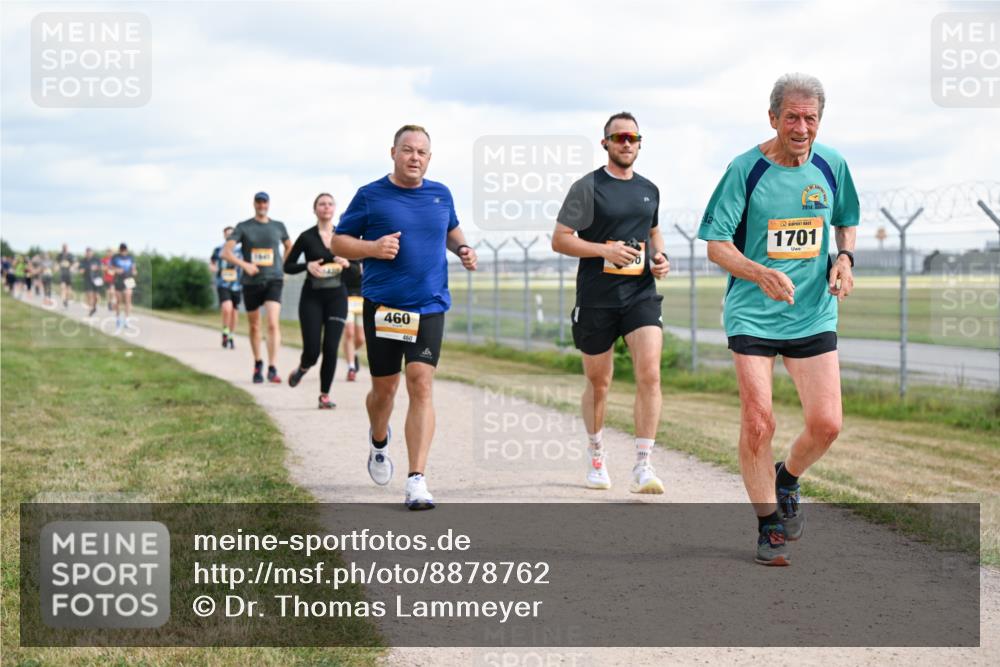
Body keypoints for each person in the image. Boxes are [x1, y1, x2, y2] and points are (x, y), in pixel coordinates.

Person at [698, 73, 859, 566]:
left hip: (812, 311)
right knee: (758, 421)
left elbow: (845, 220)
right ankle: (768, 525)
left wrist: (845, 259)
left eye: (811, 118)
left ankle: (786, 478)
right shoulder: (745, 170)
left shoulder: (832, 166)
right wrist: (758, 272)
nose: (802, 127)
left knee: (828, 424)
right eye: (792, 117)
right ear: (773, 118)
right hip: (753, 314)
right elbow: (716, 244)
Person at [333, 124, 477, 510]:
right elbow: (338, 241)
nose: (415, 158)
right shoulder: (370, 196)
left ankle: (417, 479)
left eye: (422, 152)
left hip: (429, 304)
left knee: (421, 383)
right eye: (408, 150)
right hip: (384, 307)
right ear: (393, 152)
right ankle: (379, 441)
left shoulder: (440, 194)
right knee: (385, 391)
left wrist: (463, 249)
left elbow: (451, 231)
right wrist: (372, 247)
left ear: (429, 158)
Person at [552, 112, 671, 495]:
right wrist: (604, 249)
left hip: (640, 295)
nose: (626, 143)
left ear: (639, 143)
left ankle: (643, 465)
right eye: (618, 137)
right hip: (597, 299)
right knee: (599, 383)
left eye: (633, 137)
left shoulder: (649, 189)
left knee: (649, 373)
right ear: (605, 143)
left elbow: (653, 230)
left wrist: (660, 256)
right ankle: (597, 455)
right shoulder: (587, 188)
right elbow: (561, 239)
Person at [284, 193, 357, 409]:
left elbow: (357, 273)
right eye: (321, 204)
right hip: (312, 298)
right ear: (315, 209)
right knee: (313, 350)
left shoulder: (344, 236)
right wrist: (307, 266)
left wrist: (346, 263)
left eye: (330, 204)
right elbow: (287, 266)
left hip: (337, 297)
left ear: (334, 209)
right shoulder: (307, 237)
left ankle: (324, 395)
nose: (326, 207)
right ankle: (303, 367)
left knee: (331, 347)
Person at [222, 192, 291, 384]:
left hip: (273, 280)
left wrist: (283, 267)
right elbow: (226, 253)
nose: (262, 205)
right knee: (254, 325)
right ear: (254, 204)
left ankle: (273, 366)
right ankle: (258, 363)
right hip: (251, 282)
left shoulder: (278, 226)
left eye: (265, 201)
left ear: (269, 204)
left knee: (272, 323)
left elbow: (289, 247)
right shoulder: (244, 226)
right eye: (259, 202)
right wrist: (245, 265)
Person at [210, 226, 242, 349]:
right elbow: (212, 263)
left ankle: (231, 335)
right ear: (224, 236)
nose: (229, 236)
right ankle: (225, 330)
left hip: (237, 285)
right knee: (226, 308)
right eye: (227, 234)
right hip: (223, 283)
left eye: (231, 234)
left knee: (234, 311)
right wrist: (214, 268)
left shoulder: (240, 250)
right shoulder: (218, 249)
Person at [342, 259, 364, 381]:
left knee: (361, 338)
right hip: (346, 296)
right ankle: (351, 368)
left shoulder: (367, 255)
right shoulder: (343, 253)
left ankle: (353, 353)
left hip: (362, 298)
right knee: (349, 333)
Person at [110, 243, 137, 332]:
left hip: (129, 279)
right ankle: (118, 319)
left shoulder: (130, 257)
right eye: (122, 250)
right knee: (118, 301)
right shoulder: (115, 257)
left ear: (127, 250)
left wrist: (134, 271)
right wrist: (116, 270)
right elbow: (109, 267)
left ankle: (127, 320)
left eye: (125, 250)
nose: (123, 252)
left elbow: (133, 267)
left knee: (128, 299)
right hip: (118, 280)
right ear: (120, 250)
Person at [79, 247, 104, 317]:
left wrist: (97, 268)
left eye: (90, 252)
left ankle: (94, 307)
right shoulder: (83, 261)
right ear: (86, 253)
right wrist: (88, 268)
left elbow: (101, 267)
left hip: (97, 279)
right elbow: (81, 271)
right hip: (87, 279)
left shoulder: (96, 259)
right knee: (89, 295)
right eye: (87, 253)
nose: (89, 254)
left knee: (96, 296)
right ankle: (91, 310)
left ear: (92, 253)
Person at [57, 243, 76, 308]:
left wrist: (72, 267)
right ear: (62, 248)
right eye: (63, 247)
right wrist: (57, 267)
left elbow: (74, 263)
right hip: (62, 274)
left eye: (65, 247)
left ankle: (66, 299)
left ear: (67, 248)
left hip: (69, 274)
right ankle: (64, 299)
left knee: (68, 289)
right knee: (62, 287)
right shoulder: (60, 255)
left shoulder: (70, 255)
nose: (64, 248)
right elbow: (57, 263)